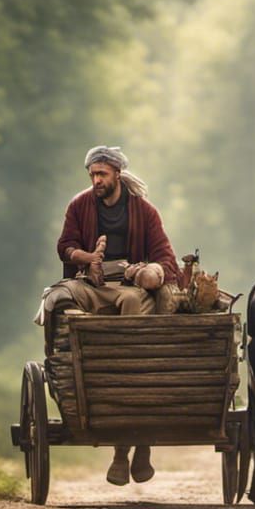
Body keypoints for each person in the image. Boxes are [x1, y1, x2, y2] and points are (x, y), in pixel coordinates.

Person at [46, 145, 180, 487]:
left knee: (133, 301)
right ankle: (85, 361)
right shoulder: (79, 205)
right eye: (92, 174)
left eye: (102, 174)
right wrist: (88, 258)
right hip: (90, 283)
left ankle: (126, 368)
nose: (96, 180)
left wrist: (149, 272)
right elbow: (65, 246)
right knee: (59, 299)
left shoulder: (144, 211)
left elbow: (166, 257)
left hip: (127, 287)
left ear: (117, 174)